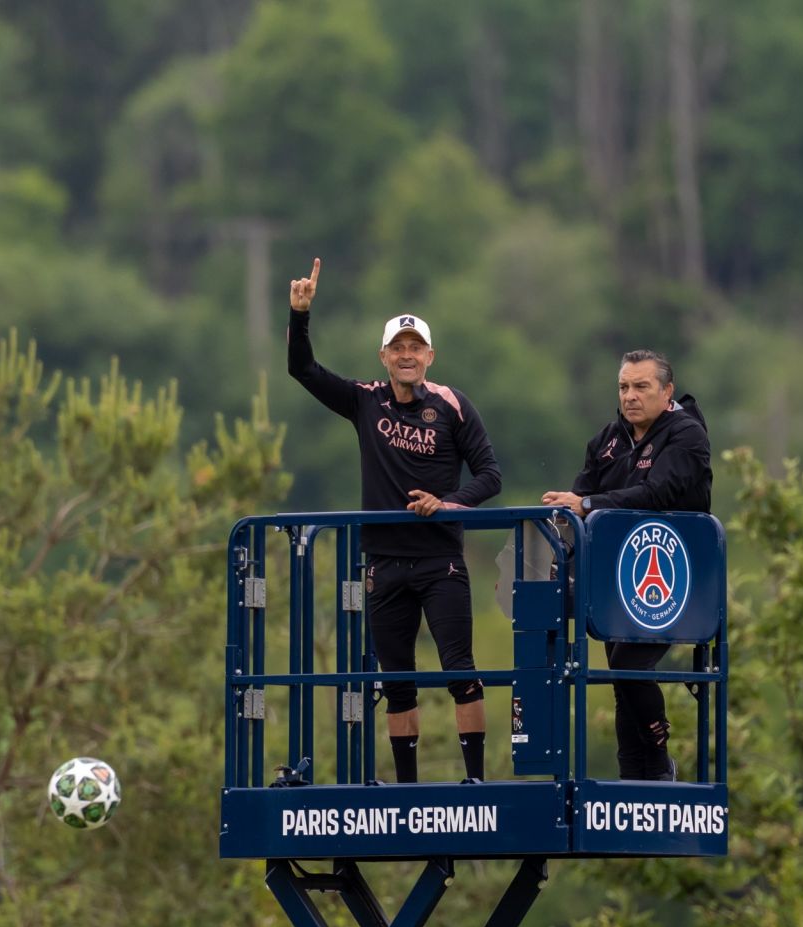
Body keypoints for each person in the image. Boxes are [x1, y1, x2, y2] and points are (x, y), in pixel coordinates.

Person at [287, 257, 502, 783]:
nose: (407, 356)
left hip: (439, 559)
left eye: (415, 348)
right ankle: (407, 787)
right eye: (397, 348)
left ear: (430, 356)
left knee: (460, 671)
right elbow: (303, 371)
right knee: (397, 680)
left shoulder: (452, 404)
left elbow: (491, 475)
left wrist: (448, 503)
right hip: (383, 562)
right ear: (383, 356)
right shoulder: (365, 401)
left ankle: (474, 778)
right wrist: (300, 315)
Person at [542, 349, 710, 781]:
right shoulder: (605, 442)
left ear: (667, 391)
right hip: (614, 578)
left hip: (676, 578)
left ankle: (657, 761)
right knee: (611, 658)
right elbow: (577, 501)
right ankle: (630, 769)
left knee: (627, 661)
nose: (630, 396)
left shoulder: (688, 436)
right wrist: (563, 512)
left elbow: (658, 493)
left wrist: (587, 504)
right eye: (623, 387)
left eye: (641, 387)